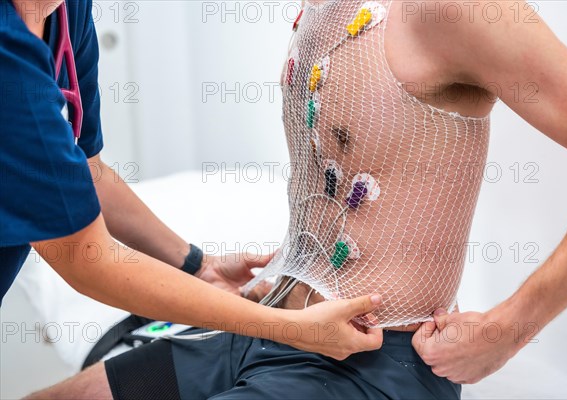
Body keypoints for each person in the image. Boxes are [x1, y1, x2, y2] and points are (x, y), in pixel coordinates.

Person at [25, 0, 567, 399]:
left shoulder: (452, 12)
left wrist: (506, 332)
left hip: (371, 368)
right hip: (262, 331)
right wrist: (200, 267)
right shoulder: (324, 11)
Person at [0, 0, 386, 368]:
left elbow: (85, 170)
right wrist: (287, 328)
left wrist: (198, 266)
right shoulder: (9, 56)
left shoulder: (67, 12)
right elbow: (87, 259)